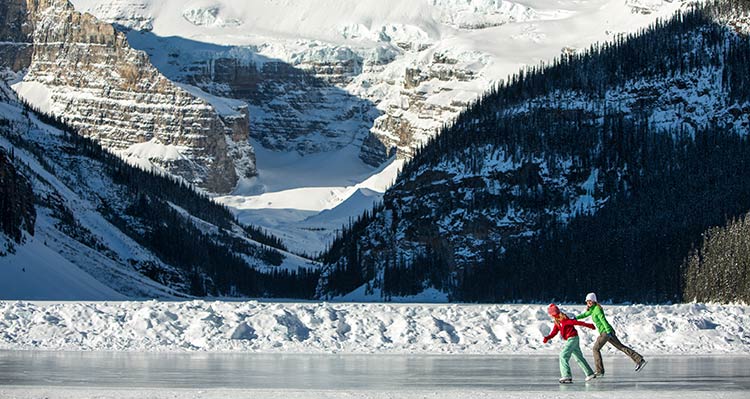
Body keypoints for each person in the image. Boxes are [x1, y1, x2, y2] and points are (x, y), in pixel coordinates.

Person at [576, 292, 647, 376]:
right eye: (587, 301)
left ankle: (599, 371)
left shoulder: (597, 309)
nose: (588, 303)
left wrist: (608, 332)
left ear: (594, 301)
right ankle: (639, 360)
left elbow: (603, 320)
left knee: (595, 349)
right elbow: (585, 314)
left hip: (606, 332)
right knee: (621, 347)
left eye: (590, 301)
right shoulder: (592, 309)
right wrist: (574, 318)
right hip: (607, 331)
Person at [542, 303, 597, 384]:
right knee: (579, 357)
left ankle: (566, 375)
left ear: (554, 313)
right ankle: (590, 373)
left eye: (552, 314)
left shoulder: (564, 320)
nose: (552, 316)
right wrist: (548, 337)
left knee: (563, 355)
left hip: (572, 338)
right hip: (572, 339)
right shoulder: (557, 322)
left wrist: (589, 325)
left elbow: (576, 322)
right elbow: (554, 332)